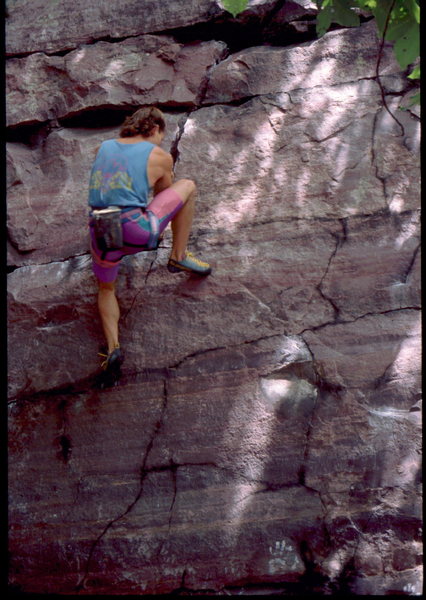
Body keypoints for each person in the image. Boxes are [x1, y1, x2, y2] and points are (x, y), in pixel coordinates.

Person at [88, 105, 211, 376]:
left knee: (106, 289)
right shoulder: (159, 155)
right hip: (134, 229)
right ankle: (179, 256)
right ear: (155, 129)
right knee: (187, 186)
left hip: (101, 229)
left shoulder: (103, 147)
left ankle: (113, 348)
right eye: (161, 136)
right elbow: (164, 195)